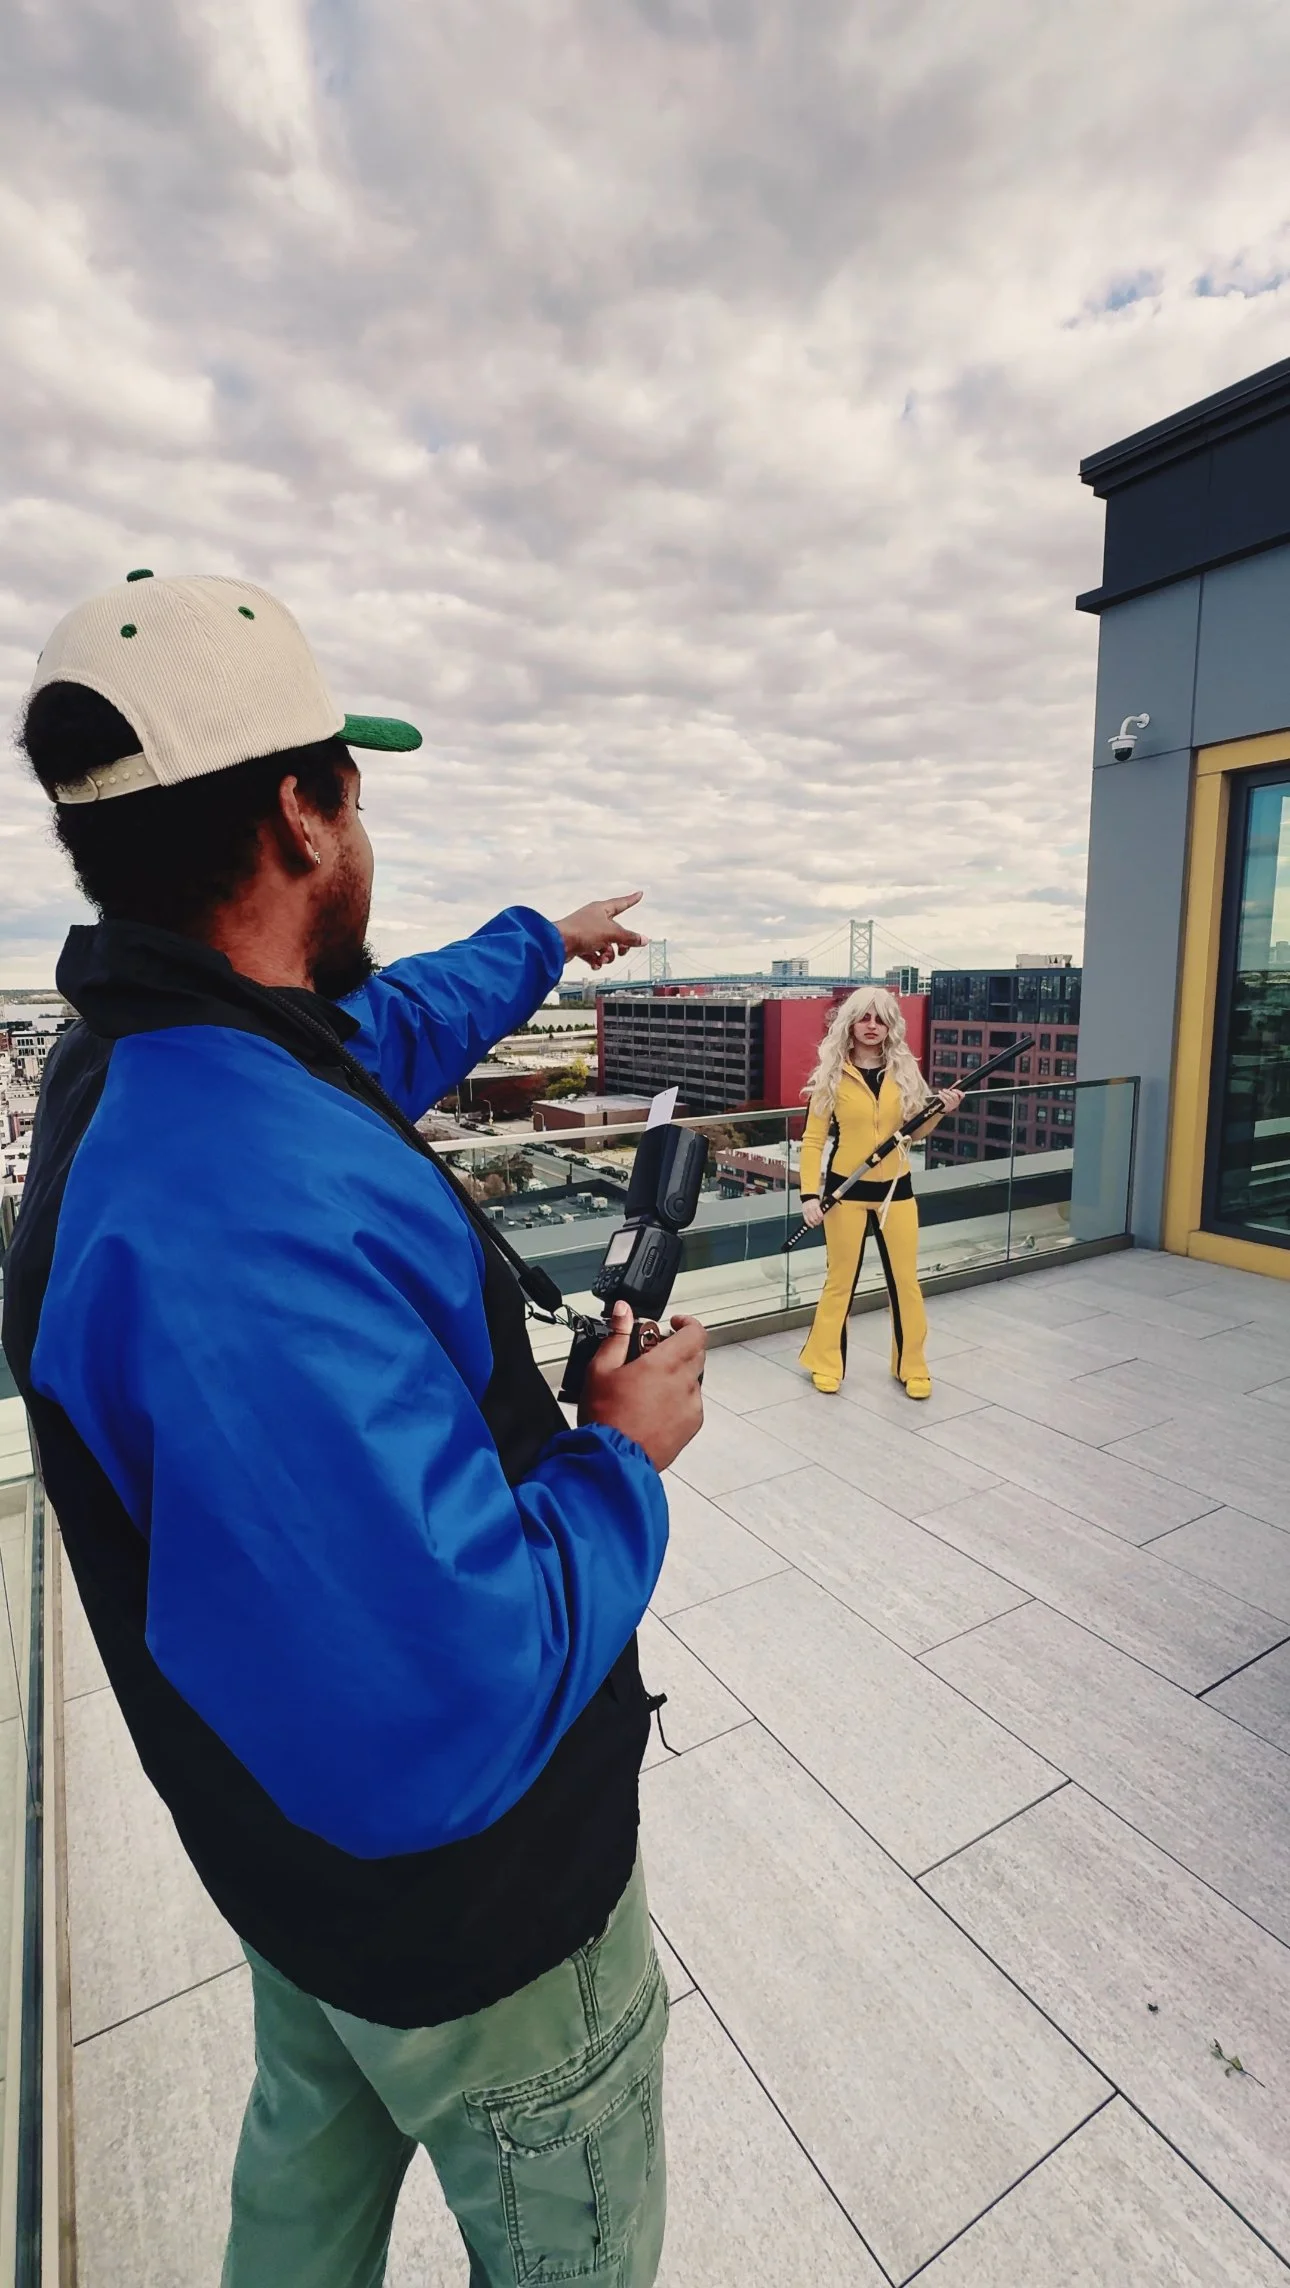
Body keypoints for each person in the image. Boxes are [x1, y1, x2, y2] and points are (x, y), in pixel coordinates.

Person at [1, 572, 707, 2288]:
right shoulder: (242, 1225)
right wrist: (620, 1453)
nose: (365, 826)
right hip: (474, 1929)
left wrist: (540, 941)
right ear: (301, 815)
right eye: (354, 789)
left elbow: (369, 1034)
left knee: (302, 2200)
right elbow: (444, 1692)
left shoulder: (155, 1066)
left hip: (301, 1881)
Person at [796, 986, 962, 1398]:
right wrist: (809, 1195)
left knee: (905, 1282)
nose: (872, 1026)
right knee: (840, 1282)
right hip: (845, 1194)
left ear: (891, 1026)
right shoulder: (832, 1075)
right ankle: (825, 1362)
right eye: (864, 1017)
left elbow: (914, 1132)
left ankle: (913, 1366)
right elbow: (813, 1141)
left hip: (896, 1193)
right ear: (850, 1023)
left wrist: (941, 1111)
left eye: (881, 1019)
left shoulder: (903, 1071)